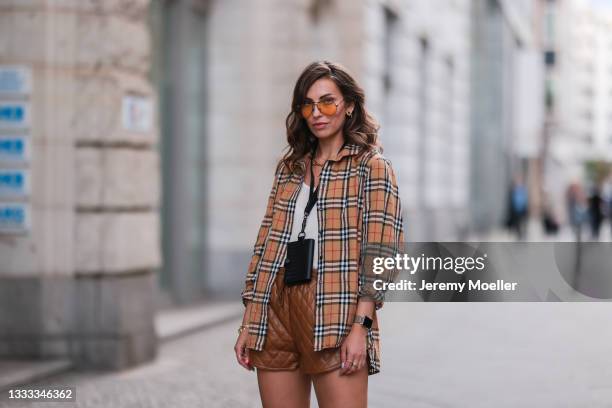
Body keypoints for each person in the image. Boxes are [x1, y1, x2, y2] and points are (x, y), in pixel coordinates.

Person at [234, 61, 404, 407]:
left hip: (335, 308)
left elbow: (382, 253)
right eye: (308, 105)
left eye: (327, 102)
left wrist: (362, 326)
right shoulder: (289, 169)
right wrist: (250, 321)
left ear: (349, 105)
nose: (317, 113)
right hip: (277, 309)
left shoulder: (371, 167)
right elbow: (265, 246)